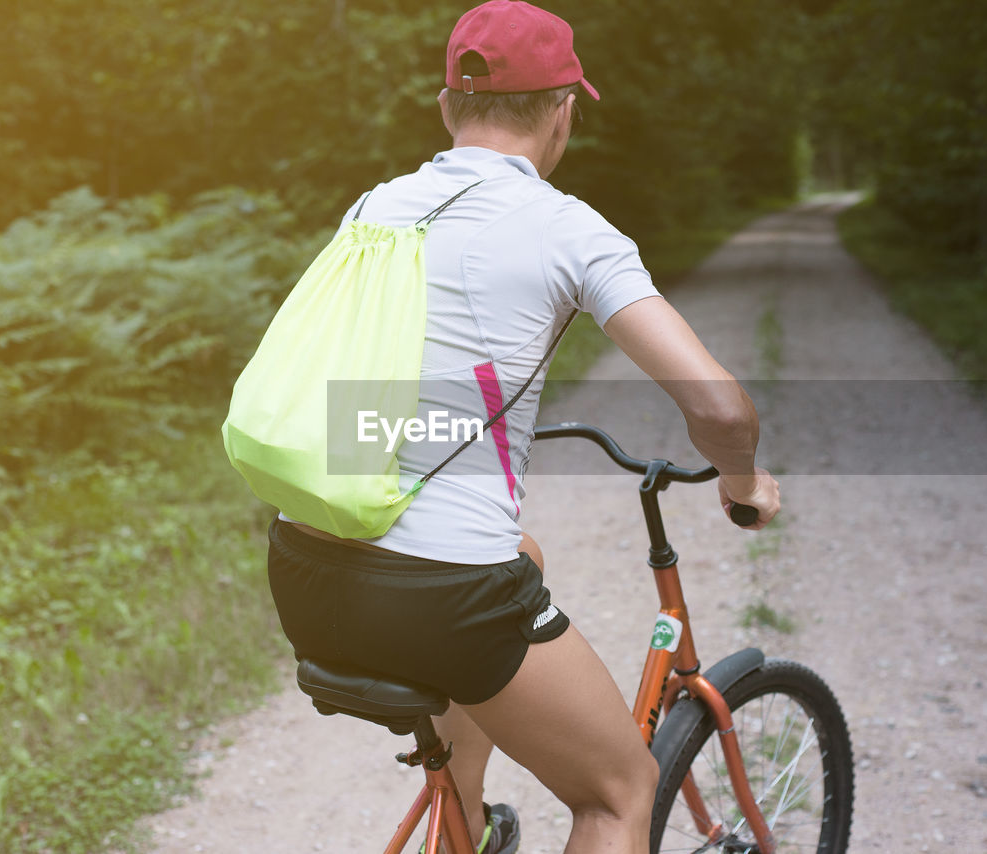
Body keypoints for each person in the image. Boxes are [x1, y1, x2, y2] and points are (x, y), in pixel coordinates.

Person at [264, 2, 780, 852]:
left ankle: (456, 834)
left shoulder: (375, 208)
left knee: (522, 553)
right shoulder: (568, 229)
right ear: (564, 107)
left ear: (445, 107)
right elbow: (719, 408)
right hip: (439, 599)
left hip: (307, 571)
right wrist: (741, 480)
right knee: (621, 791)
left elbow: (362, 394)